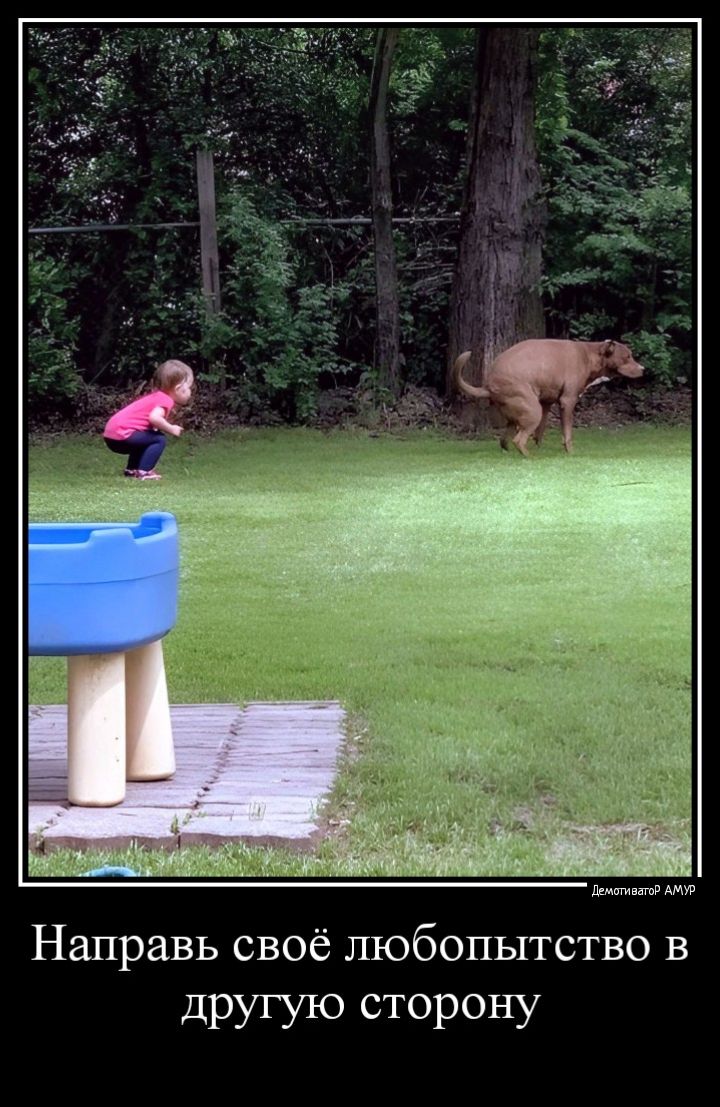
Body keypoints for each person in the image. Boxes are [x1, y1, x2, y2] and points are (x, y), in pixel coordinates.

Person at [103, 360, 194, 480]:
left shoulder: (156, 396)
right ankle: (144, 472)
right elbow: (154, 418)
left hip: (111, 435)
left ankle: (132, 470)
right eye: (189, 388)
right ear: (178, 389)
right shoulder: (166, 400)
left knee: (148, 438)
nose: (190, 392)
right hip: (122, 435)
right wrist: (171, 428)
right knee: (158, 439)